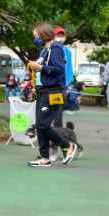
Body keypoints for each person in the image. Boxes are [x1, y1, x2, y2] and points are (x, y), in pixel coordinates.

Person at [28, 22, 78, 167]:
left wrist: (40, 67)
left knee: (43, 125)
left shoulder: (55, 49)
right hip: (43, 90)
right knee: (41, 124)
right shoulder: (45, 50)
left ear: (43, 34)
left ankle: (67, 145)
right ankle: (44, 156)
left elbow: (58, 69)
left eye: (36, 36)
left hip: (52, 91)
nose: (35, 39)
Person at [52, 27, 74, 128]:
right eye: (58, 36)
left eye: (62, 36)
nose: (60, 38)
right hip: (49, 86)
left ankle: (58, 135)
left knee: (57, 112)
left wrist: (66, 83)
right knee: (46, 112)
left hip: (60, 87)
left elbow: (69, 69)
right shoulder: (47, 49)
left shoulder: (67, 51)